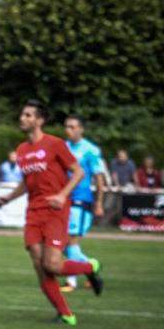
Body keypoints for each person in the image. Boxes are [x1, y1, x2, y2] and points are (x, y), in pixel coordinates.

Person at [0, 100, 103, 326]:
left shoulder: (55, 144)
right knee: (40, 266)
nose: (22, 118)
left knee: (52, 265)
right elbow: (27, 183)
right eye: (22, 114)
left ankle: (90, 267)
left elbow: (78, 172)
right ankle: (66, 314)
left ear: (39, 120)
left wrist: (62, 195)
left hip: (56, 210)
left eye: (28, 115)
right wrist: (8, 198)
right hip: (33, 212)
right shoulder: (22, 150)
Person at [62, 116, 106, 293]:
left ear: (81, 129)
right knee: (65, 244)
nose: (69, 130)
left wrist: (99, 203)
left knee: (70, 241)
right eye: (66, 127)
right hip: (65, 199)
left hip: (81, 200)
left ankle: (71, 282)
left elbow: (99, 177)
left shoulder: (91, 150)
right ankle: (90, 266)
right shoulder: (63, 147)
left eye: (72, 127)